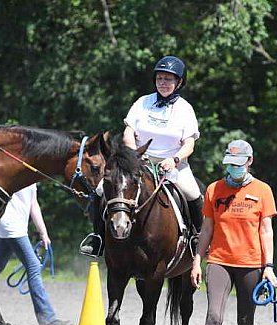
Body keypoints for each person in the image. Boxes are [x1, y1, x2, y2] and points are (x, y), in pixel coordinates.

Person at [80, 55, 203, 257]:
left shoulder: (185, 109)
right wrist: (134, 156)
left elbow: (189, 144)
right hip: (138, 160)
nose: (163, 83)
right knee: (102, 189)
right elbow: (129, 131)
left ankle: (195, 240)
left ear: (179, 82)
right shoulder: (143, 103)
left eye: (168, 79)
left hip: (173, 164)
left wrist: (174, 160)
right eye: (160, 78)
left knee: (192, 193)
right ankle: (98, 237)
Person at [189, 139, 277, 325]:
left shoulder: (263, 191)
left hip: (251, 264)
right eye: (231, 164)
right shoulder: (214, 190)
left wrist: (268, 267)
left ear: (250, 162)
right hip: (219, 261)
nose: (235, 169)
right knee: (213, 318)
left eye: (239, 164)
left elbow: (266, 230)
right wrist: (197, 260)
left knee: (246, 321)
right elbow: (206, 229)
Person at [0, 184, 72, 325]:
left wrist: (43, 232)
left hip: (17, 228)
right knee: (33, 266)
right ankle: (47, 319)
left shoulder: (32, 178)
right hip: (11, 226)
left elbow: (33, 204)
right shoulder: (16, 169)